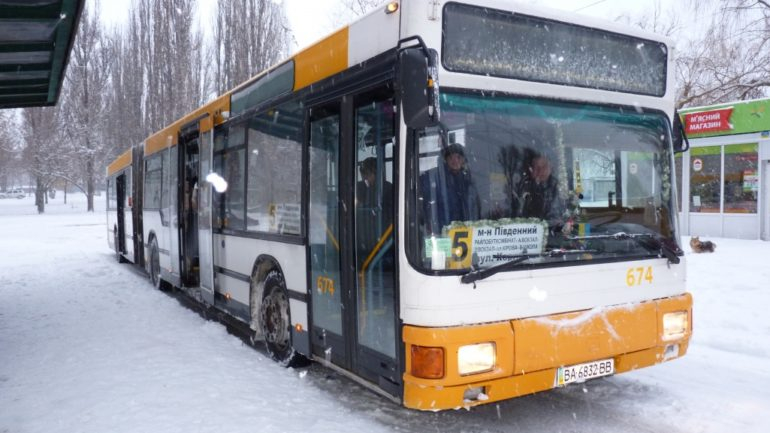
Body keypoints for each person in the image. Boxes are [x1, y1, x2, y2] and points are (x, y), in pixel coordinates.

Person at [420, 143, 480, 234]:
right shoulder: (435, 176)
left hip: (466, 230)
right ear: (445, 160)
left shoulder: (469, 180)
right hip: (441, 231)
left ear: (464, 160)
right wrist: (429, 223)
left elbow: (475, 205)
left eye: (458, 157)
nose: (455, 161)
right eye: (451, 157)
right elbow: (423, 200)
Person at [516, 152, 564, 226]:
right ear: (531, 170)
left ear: (550, 168)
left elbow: (556, 218)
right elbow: (518, 214)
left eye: (544, 167)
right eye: (536, 167)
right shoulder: (523, 186)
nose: (540, 171)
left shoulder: (558, 187)